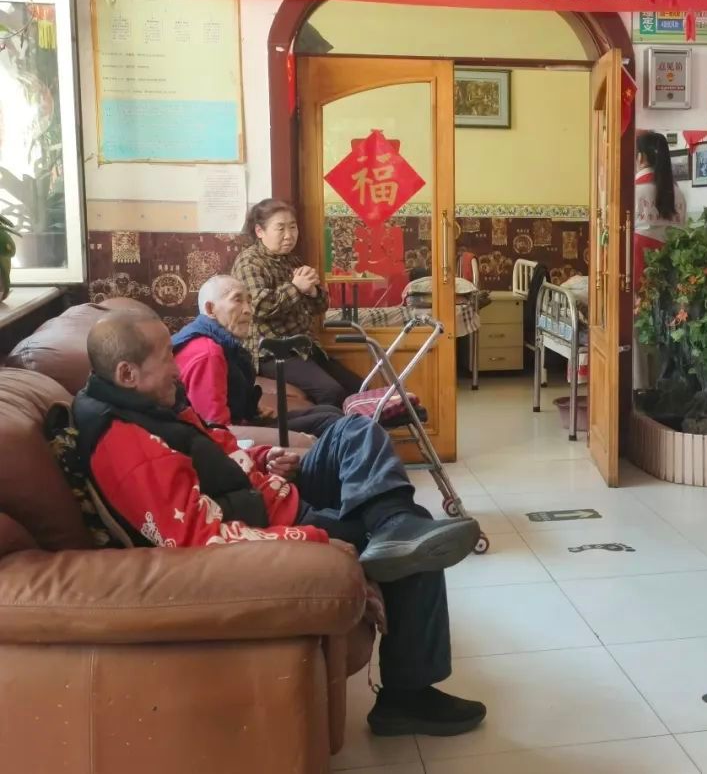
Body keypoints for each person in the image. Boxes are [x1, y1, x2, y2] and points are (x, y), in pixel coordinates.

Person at [72, 309, 487, 737]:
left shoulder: (145, 405)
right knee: (416, 550)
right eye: (165, 356)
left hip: (270, 489)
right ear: (127, 373)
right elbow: (197, 540)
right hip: (275, 520)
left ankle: (392, 522)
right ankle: (405, 699)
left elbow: (211, 448)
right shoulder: (129, 449)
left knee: (356, 433)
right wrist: (312, 538)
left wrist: (260, 459)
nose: (178, 367)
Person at [232, 199, 365, 408]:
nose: (289, 235)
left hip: (304, 348)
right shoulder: (249, 262)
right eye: (280, 228)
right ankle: (329, 430)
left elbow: (320, 306)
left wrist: (312, 291)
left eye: (293, 227)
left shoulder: (292, 261)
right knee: (331, 392)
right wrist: (296, 287)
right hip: (272, 353)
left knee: (360, 387)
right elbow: (258, 307)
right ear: (259, 231)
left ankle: (358, 429)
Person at [173, 275, 345, 437]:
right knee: (330, 421)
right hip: (228, 437)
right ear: (211, 309)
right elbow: (216, 429)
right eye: (237, 300)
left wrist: (252, 411)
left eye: (249, 301)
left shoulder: (221, 342)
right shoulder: (208, 353)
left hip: (240, 424)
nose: (249, 310)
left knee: (331, 412)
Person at [634, 131, 688, 389]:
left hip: (638, 268)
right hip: (669, 272)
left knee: (637, 331)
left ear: (640, 157)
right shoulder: (678, 193)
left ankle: (638, 387)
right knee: (663, 330)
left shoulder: (635, 191)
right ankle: (662, 386)